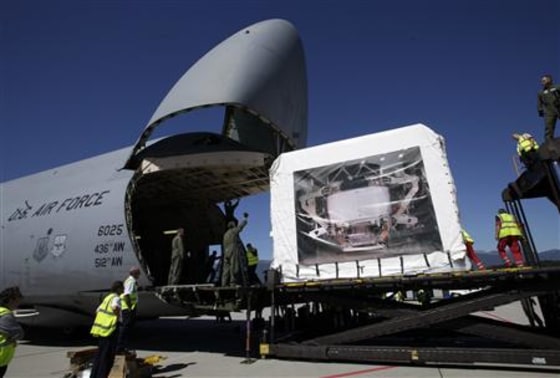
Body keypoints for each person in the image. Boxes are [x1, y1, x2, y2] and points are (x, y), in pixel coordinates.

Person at [90, 281, 123, 378]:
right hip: (110, 330)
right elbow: (115, 307)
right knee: (107, 358)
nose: (123, 290)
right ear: (118, 289)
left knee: (99, 356)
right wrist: (116, 318)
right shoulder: (116, 298)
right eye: (122, 288)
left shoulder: (107, 298)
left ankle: (94, 375)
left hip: (102, 330)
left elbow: (97, 311)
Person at [0, 286, 24, 378]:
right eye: (17, 301)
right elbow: (19, 333)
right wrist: (12, 338)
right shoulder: (5, 315)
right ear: (10, 300)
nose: (18, 304)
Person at [116, 266, 140, 353]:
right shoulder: (131, 281)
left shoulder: (131, 281)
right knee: (125, 326)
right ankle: (120, 346)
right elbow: (126, 295)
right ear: (134, 273)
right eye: (138, 273)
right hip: (128, 307)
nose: (139, 275)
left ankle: (122, 345)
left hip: (129, 307)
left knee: (127, 326)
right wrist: (130, 307)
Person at [222, 212, 249, 286]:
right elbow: (240, 227)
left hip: (226, 252)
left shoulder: (225, 234)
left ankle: (223, 283)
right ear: (233, 226)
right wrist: (245, 219)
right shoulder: (233, 231)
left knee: (226, 269)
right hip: (233, 250)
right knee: (234, 267)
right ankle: (233, 283)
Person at [537, 74, 560, 140]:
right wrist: (540, 110)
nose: (542, 82)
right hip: (549, 111)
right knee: (549, 127)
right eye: (542, 81)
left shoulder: (557, 87)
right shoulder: (541, 93)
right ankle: (548, 142)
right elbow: (539, 103)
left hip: (558, 107)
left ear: (549, 80)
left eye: (544, 80)